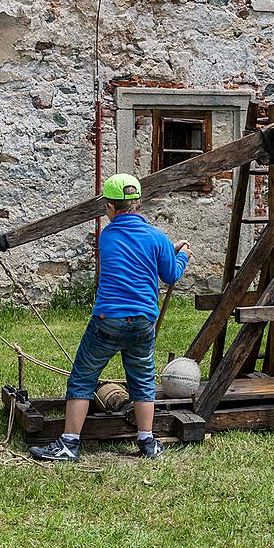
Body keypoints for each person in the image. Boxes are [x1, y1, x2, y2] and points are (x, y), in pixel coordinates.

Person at [29, 173, 192, 461]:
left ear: (110, 206)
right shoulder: (156, 238)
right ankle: (147, 442)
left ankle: (69, 443)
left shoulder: (108, 236)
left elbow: (132, 253)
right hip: (142, 322)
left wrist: (169, 250)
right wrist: (180, 254)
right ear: (139, 203)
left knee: (82, 379)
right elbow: (170, 274)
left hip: (108, 320)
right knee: (142, 382)